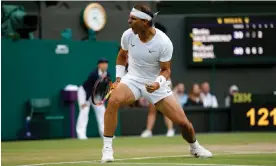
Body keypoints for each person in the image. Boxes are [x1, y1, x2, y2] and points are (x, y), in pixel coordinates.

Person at [101, 4, 212, 163]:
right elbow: (122, 57)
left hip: (156, 84)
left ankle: (195, 147)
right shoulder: (128, 35)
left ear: (145, 22)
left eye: (133, 19)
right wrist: (119, 79)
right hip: (132, 79)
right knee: (113, 101)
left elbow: (166, 71)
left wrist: (157, 84)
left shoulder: (164, 43)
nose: (129, 21)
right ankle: (107, 149)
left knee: (184, 124)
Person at [76, 58, 110, 140]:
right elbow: (89, 89)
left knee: (102, 112)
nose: (105, 65)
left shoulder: (107, 74)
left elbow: (104, 89)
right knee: (84, 111)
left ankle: (105, 134)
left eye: (106, 63)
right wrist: (85, 101)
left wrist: (102, 100)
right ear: (99, 65)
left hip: (96, 95)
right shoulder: (93, 74)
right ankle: (81, 135)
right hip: (85, 93)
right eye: (103, 63)